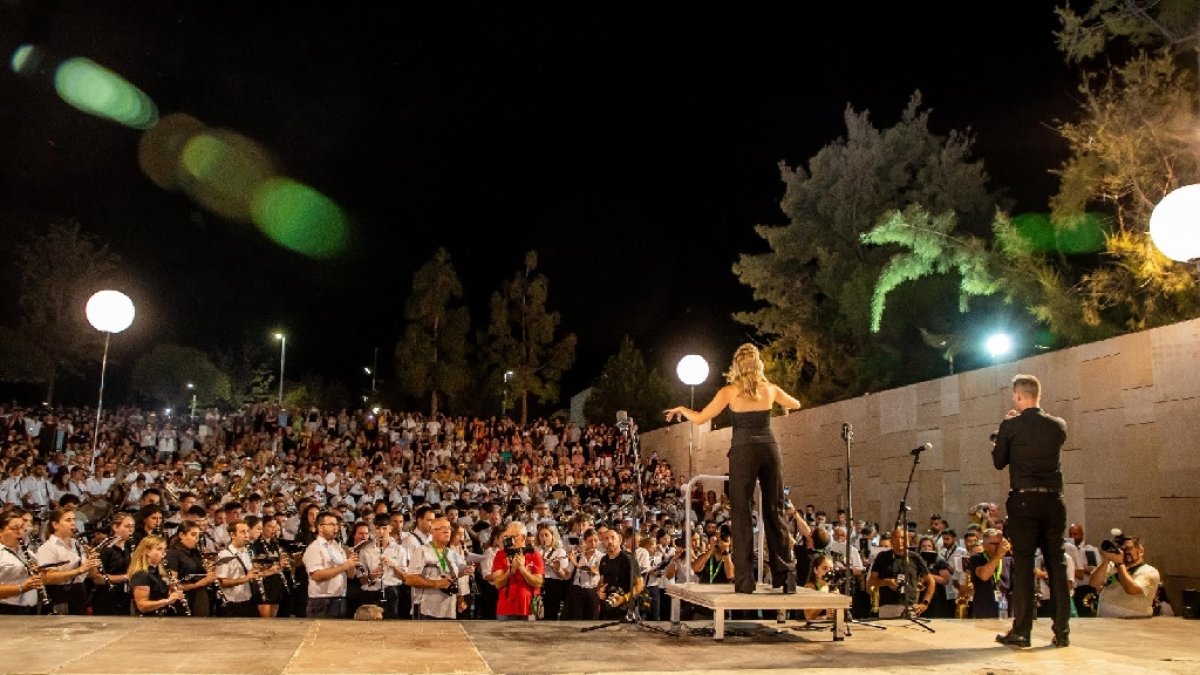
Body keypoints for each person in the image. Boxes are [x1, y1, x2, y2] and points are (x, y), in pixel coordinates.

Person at [665, 343, 800, 594]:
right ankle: (787, 577)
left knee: (741, 513)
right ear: (758, 364)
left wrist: (683, 409)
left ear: (736, 365)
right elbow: (797, 402)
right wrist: (784, 405)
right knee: (774, 510)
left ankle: (745, 581)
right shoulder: (770, 389)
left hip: (743, 451)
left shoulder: (729, 392)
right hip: (770, 449)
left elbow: (701, 417)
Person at [991, 373, 1071, 649]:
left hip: (1024, 501)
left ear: (1018, 395)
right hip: (1053, 501)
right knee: (1056, 564)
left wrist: (1006, 431)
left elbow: (999, 461)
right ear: (1038, 395)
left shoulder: (1010, 425)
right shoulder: (1058, 425)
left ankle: (1022, 631)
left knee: (1024, 565)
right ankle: (1062, 632)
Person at [404, 517, 471, 620]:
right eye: (442, 528)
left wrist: (459, 598)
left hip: (449, 611)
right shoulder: (422, 551)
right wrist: (437, 583)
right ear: (432, 531)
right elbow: (410, 579)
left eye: (448, 528)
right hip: (427, 611)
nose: (447, 531)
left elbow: (452, 580)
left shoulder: (451, 553)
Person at [36, 508, 97, 614]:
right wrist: (78, 571)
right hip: (60, 595)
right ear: (55, 524)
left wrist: (92, 561)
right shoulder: (48, 547)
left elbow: (91, 575)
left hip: (80, 591)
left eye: (74, 519)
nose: (73, 523)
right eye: (68, 520)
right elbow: (47, 578)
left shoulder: (77, 544)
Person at [867, 527, 934, 619]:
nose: (899, 541)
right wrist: (886, 582)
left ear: (908, 541)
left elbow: (931, 582)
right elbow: (871, 581)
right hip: (887, 606)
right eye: (896, 538)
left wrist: (925, 603)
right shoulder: (882, 557)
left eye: (903, 538)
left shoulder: (915, 557)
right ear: (891, 541)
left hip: (911, 606)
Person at [303, 510, 359, 618]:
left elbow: (350, 575)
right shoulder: (314, 548)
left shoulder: (338, 547)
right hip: (321, 601)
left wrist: (351, 562)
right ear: (320, 527)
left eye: (336, 525)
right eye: (331, 525)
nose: (336, 528)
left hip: (339, 598)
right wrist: (345, 566)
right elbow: (316, 575)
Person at [1091, 535, 1160, 618]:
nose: (1125, 552)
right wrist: (1106, 560)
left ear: (1140, 550)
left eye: (1128, 549)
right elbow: (1094, 583)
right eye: (1122, 549)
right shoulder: (1112, 566)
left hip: (1132, 624)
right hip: (1104, 622)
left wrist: (1120, 564)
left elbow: (1131, 589)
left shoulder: (1149, 571)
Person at [492, 521, 543, 620]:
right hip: (506, 608)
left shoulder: (534, 555)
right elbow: (497, 583)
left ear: (524, 537)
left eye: (513, 537)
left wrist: (523, 570)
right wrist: (510, 571)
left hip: (528, 607)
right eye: (507, 537)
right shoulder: (500, 555)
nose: (510, 540)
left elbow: (538, 583)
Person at [127, 535, 186, 616]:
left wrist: (171, 592)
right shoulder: (141, 575)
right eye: (159, 549)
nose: (164, 553)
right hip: (146, 622)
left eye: (164, 549)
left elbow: (158, 596)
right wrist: (167, 601)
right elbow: (142, 606)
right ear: (148, 552)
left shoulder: (158, 573)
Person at [89, 513, 135, 616]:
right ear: (115, 527)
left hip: (124, 595)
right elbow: (97, 578)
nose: (131, 530)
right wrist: (125, 577)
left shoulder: (129, 546)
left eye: (132, 526)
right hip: (106, 596)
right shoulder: (105, 548)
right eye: (127, 526)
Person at [0, 512, 43, 615]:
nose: (20, 532)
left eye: (22, 527)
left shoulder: (28, 553)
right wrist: (21, 588)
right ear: (0, 531)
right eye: (14, 528)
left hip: (31, 609)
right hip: (6, 610)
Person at [596, 528, 642, 620]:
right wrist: (599, 591)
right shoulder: (603, 560)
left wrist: (623, 598)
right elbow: (601, 581)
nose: (610, 541)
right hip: (607, 610)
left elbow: (639, 586)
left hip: (626, 610)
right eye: (606, 539)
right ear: (602, 542)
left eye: (613, 538)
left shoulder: (628, 559)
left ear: (620, 540)